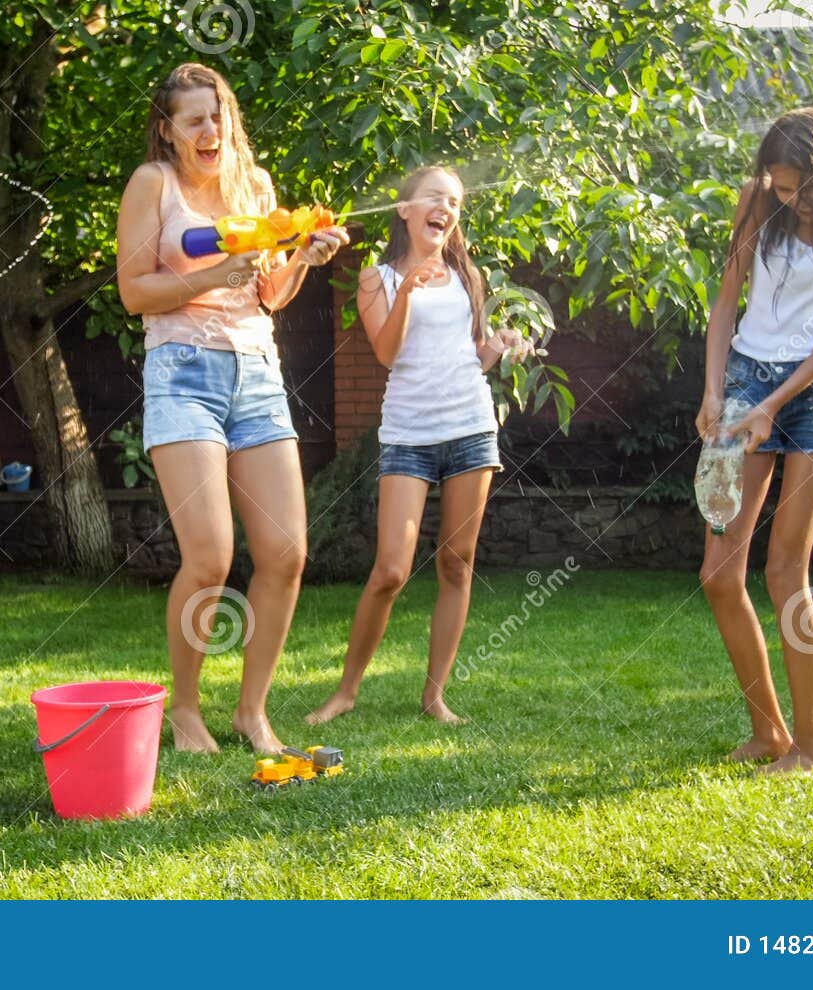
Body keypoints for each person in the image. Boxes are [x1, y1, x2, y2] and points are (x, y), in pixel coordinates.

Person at [115, 63, 349, 755]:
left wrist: (303, 254)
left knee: (285, 552)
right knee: (212, 557)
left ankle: (251, 711)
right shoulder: (152, 185)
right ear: (168, 129)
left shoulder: (255, 188)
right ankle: (185, 711)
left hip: (256, 374)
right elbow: (134, 293)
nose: (210, 130)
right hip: (182, 372)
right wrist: (216, 273)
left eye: (217, 116)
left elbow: (270, 293)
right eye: (194, 120)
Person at [695, 107, 813, 774]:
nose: (787, 199)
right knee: (718, 573)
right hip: (745, 379)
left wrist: (773, 405)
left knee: (785, 571)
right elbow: (726, 302)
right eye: (777, 186)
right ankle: (769, 732)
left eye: (798, 188)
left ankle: (812, 747)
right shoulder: (755, 200)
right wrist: (716, 392)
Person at [306, 165, 528, 727]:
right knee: (390, 571)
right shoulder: (374, 278)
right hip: (408, 433)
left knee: (457, 563)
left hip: (470, 427)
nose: (447, 209)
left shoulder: (465, 275)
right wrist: (407, 288)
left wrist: (497, 347)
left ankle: (434, 696)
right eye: (435, 198)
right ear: (405, 210)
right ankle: (346, 691)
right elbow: (386, 351)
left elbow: (469, 355)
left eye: (454, 202)